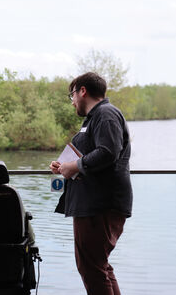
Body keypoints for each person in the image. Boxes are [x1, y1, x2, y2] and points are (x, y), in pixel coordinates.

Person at [50, 72, 133, 295]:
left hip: (100, 206)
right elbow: (95, 155)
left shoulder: (105, 114)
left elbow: (108, 152)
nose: (73, 101)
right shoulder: (96, 118)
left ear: (82, 91)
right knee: (98, 266)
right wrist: (65, 166)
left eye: (72, 95)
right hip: (95, 204)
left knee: (92, 268)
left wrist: (75, 166)